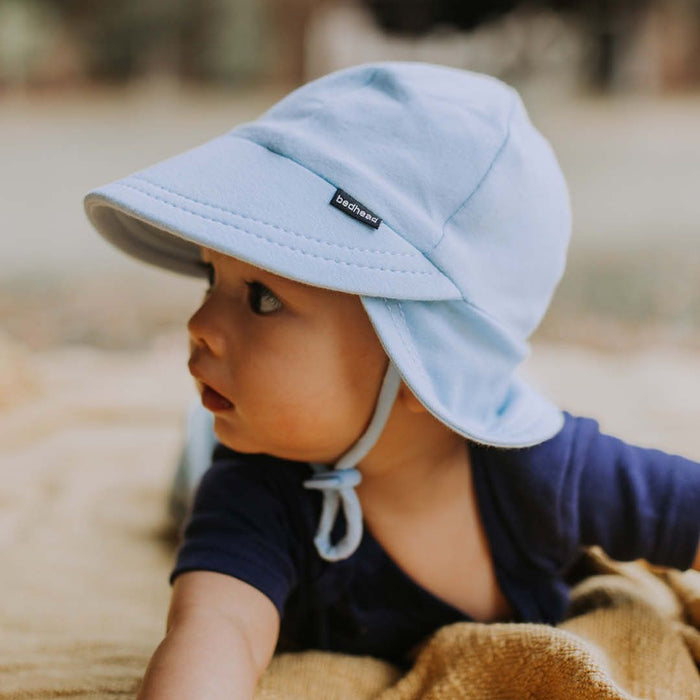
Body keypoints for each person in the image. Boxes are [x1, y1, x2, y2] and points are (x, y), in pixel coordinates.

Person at [83, 61, 700, 699]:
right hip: (222, 447)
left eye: (263, 298)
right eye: (213, 278)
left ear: (420, 360)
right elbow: (217, 628)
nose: (199, 322)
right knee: (195, 459)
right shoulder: (253, 483)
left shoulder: (545, 472)